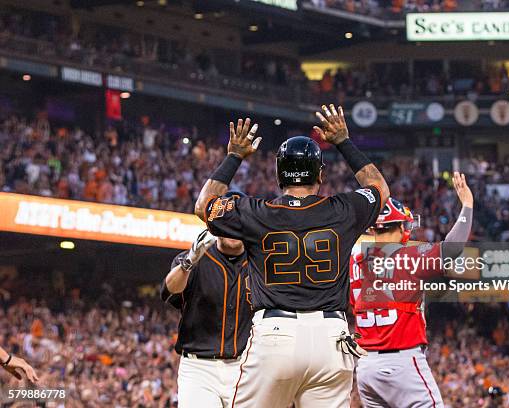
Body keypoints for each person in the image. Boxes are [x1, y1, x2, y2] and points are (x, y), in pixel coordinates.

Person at [193, 104, 389, 408]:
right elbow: (378, 188)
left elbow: (204, 204)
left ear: (278, 175)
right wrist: (343, 141)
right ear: (321, 174)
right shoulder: (343, 210)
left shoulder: (257, 213)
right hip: (331, 337)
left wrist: (234, 156)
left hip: (275, 334)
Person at [350, 172, 474, 408]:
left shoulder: (354, 261)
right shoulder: (408, 256)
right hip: (401, 362)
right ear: (399, 226)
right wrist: (467, 205)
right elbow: (453, 248)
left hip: (366, 368)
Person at [161, 199, 252, 408]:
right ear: (215, 227)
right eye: (227, 224)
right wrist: (189, 261)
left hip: (244, 367)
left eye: (238, 224)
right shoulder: (195, 258)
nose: (233, 230)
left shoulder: (259, 263)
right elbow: (169, 290)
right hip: (199, 368)